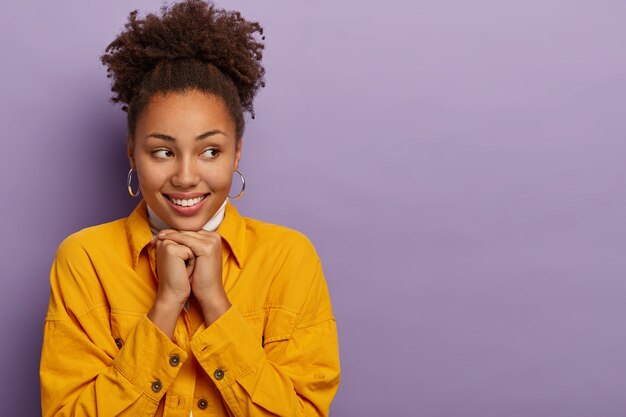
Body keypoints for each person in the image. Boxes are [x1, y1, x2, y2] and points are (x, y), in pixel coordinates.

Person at [39, 1, 341, 416]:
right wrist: (165, 306)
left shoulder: (289, 259)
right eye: (162, 151)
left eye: (210, 151)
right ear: (132, 154)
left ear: (236, 155)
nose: (185, 176)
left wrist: (215, 303)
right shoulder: (85, 259)